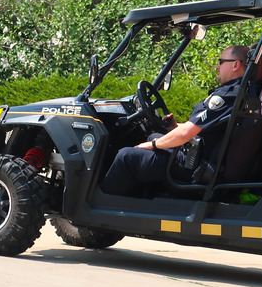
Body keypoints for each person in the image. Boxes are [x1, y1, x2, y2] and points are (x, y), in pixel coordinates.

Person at [101, 45, 249, 196]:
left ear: (235, 65)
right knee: (154, 136)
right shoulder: (242, 92)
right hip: (198, 154)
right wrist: (175, 127)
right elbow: (207, 126)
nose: (217, 67)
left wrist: (151, 145)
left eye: (221, 61)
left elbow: (186, 133)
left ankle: (100, 206)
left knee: (127, 156)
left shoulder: (228, 95)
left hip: (193, 164)